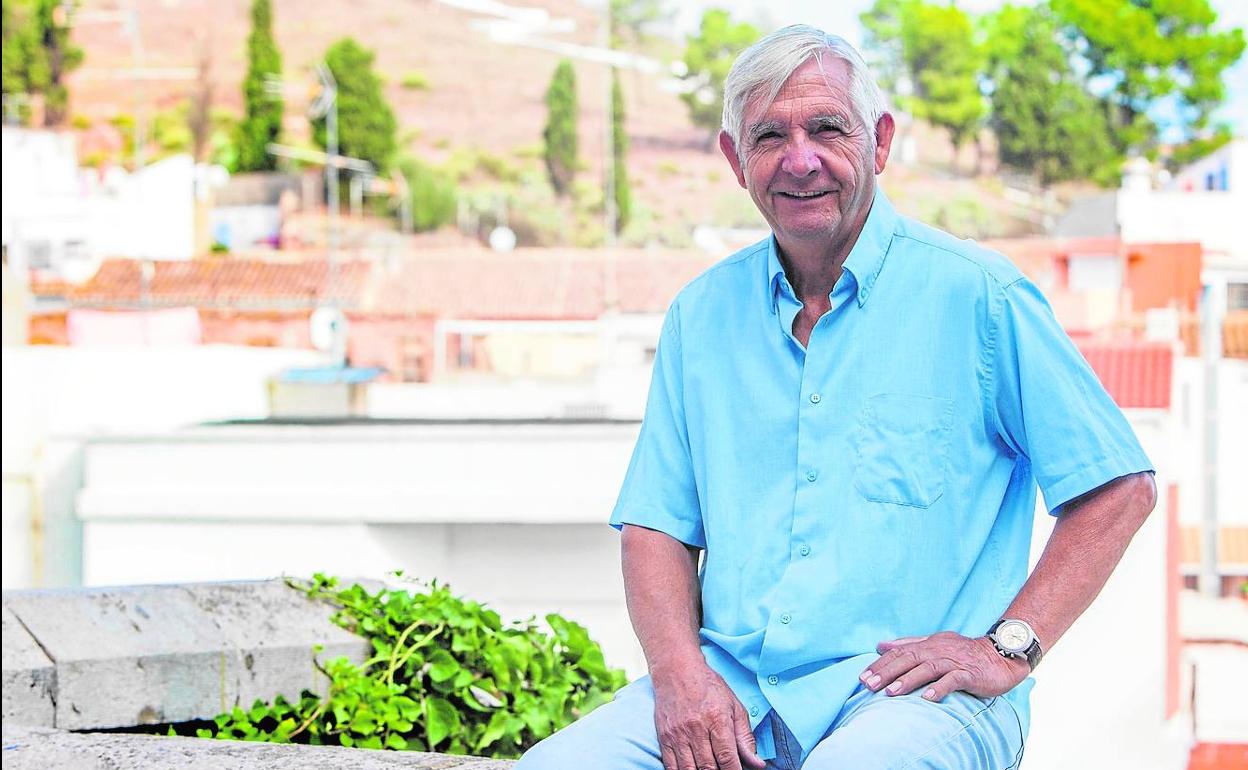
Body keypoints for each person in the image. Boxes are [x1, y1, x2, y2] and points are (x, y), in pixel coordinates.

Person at [516, 24, 1156, 770]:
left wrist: (1007, 648)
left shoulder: (979, 296)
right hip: (733, 688)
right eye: (768, 137)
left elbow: (1119, 487)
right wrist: (680, 677)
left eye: (827, 128)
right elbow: (656, 526)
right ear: (734, 159)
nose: (800, 160)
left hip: (914, 701)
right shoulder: (701, 315)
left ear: (879, 142)